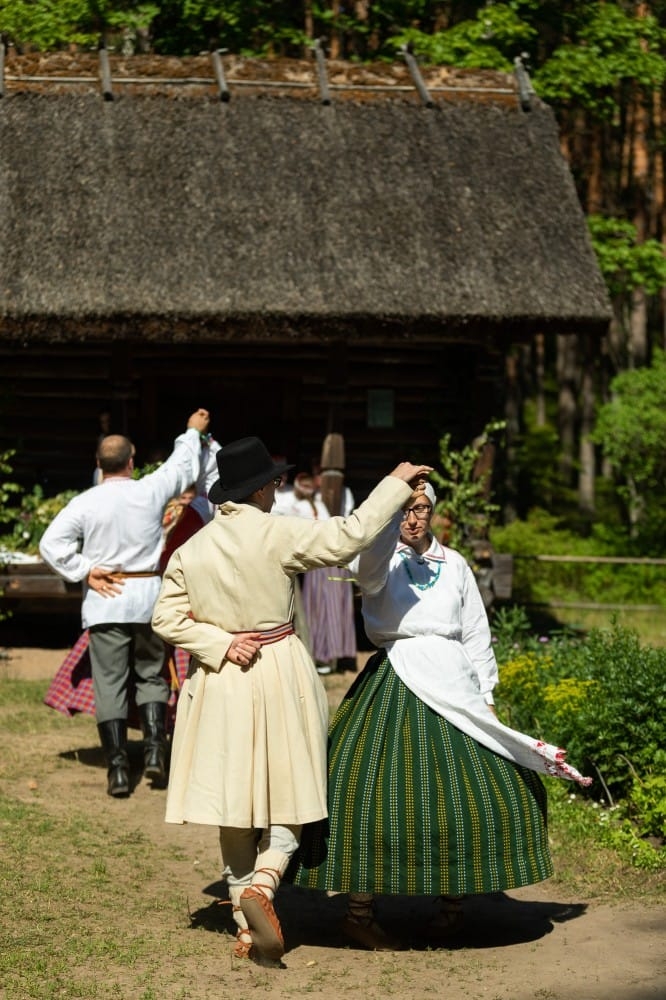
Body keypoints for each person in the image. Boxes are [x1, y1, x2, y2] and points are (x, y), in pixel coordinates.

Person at [150, 437, 432, 968]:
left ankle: (243, 922)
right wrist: (396, 483)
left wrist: (219, 643)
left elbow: (164, 619)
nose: (278, 489)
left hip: (221, 677)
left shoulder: (193, 549)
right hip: (277, 665)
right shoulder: (275, 533)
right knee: (292, 787)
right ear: (260, 489)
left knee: (234, 803)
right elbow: (348, 537)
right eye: (274, 482)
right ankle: (264, 882)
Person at [292, 481, 592, 950]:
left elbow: (475, 632)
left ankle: (452, 905)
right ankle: (359, 911)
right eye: (404, 510)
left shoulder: (455, 565)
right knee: (368, 793)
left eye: (420, 509)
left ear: (433, 512)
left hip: (454, 683)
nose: (412, 518)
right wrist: (384, 521)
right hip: (396, 676)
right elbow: (366, 573)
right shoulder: (380, 559)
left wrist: (486, 694)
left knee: (463, 793)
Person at [39, 408, 216, 799]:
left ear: (98, 465)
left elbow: (50, 545)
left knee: (110, 684)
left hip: (106, 603)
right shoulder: (148, 489)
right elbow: (182, 465)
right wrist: (191, 430)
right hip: (148, 599)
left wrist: (86, 569)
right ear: (132, 462)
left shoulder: (85, 503)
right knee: (152, 676)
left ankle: (119, 771)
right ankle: (154, 751)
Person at [276, 472, 357, 675]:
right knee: (318, 610)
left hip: (325, 560)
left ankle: (331, 655)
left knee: (330, 609)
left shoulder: (316, 506)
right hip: (315, 562)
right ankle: (323, 655)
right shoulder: (294, 505)